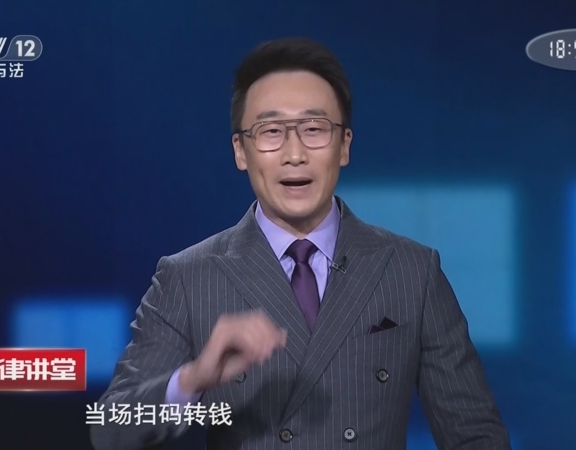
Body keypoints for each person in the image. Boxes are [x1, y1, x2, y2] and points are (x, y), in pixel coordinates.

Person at [90, 37, 510, 450]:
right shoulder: (188, 278)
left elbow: (476, 435)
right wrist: (192, 379)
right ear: (241, 151)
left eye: (314, 129)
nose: (294, 154)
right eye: (271, 131)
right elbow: (108, 428)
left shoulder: (412, 272)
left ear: (344, 145)